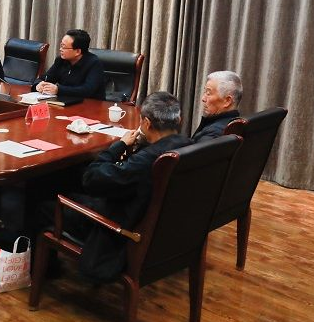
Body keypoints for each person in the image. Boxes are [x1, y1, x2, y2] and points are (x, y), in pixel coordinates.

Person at [34, 92, 192, 282]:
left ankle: (47, 272)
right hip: (155, 229)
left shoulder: (146, 161)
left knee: (43, 200)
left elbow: (91, 179)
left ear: (146, 123)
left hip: (115, 229)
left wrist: (119, 146)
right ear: (179, 120)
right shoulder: (188, 147)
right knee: (71, 177)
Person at [33, 29, 106, 99]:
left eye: (64, 47)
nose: (60, 49)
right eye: (61, 45)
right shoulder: (61, 60)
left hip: (90, 104)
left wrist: (58, 90)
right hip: (64, 101)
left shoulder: (94, 63)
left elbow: (87, 90)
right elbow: (45, 78)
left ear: (77, 51)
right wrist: (38, 85)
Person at [192, 71, 243, 143]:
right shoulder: (237, 126)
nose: (203, 98)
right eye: (205, 92)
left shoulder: (213, 134)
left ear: (227, 101)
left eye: (208, 93)